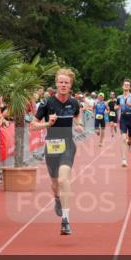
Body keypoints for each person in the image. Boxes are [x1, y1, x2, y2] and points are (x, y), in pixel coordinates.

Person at [32, 68, 84, 236]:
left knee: (63, 179)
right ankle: (57, 199)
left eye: (66, 82)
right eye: (60, 82)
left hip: (68, 145)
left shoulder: (74, 102)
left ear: (70, 85)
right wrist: (47, 124)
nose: (63, 85)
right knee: (55, 185)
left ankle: (66, 220)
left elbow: (78, 115)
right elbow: (33, 125)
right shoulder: (47, 103)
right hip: (52, 147)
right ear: (56, 83)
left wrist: (79, 124)